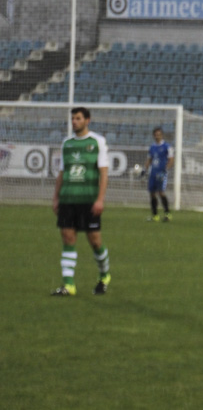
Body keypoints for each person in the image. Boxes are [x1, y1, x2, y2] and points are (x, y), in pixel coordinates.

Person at [51, 107, 111, 296]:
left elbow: (103, 172)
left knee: (95, 241)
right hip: (68, 199)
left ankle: (104, 275)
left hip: (88, 200)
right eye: (72, 119)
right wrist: (56, 197)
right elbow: (62, 172)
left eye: (78, 118)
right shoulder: (67, 143)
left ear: (87, 120)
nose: (74, 122)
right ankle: (68, 285)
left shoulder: (97, 142)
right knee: (68, 238)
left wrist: (100, 199)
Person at [143, 126, 174, 222]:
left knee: (161, 192)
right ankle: (155, 215)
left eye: (159, 135)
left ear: (162, 135)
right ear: (153, 136)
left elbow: (171, 160)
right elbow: (149, 159)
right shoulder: (152, 147)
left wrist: (165, 170)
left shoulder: (167, 147)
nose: (157, 136)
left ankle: (167, 214)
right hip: (153, 173)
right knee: (152, 193)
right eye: (156, 135)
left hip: (161, 173)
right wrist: (145, 169)